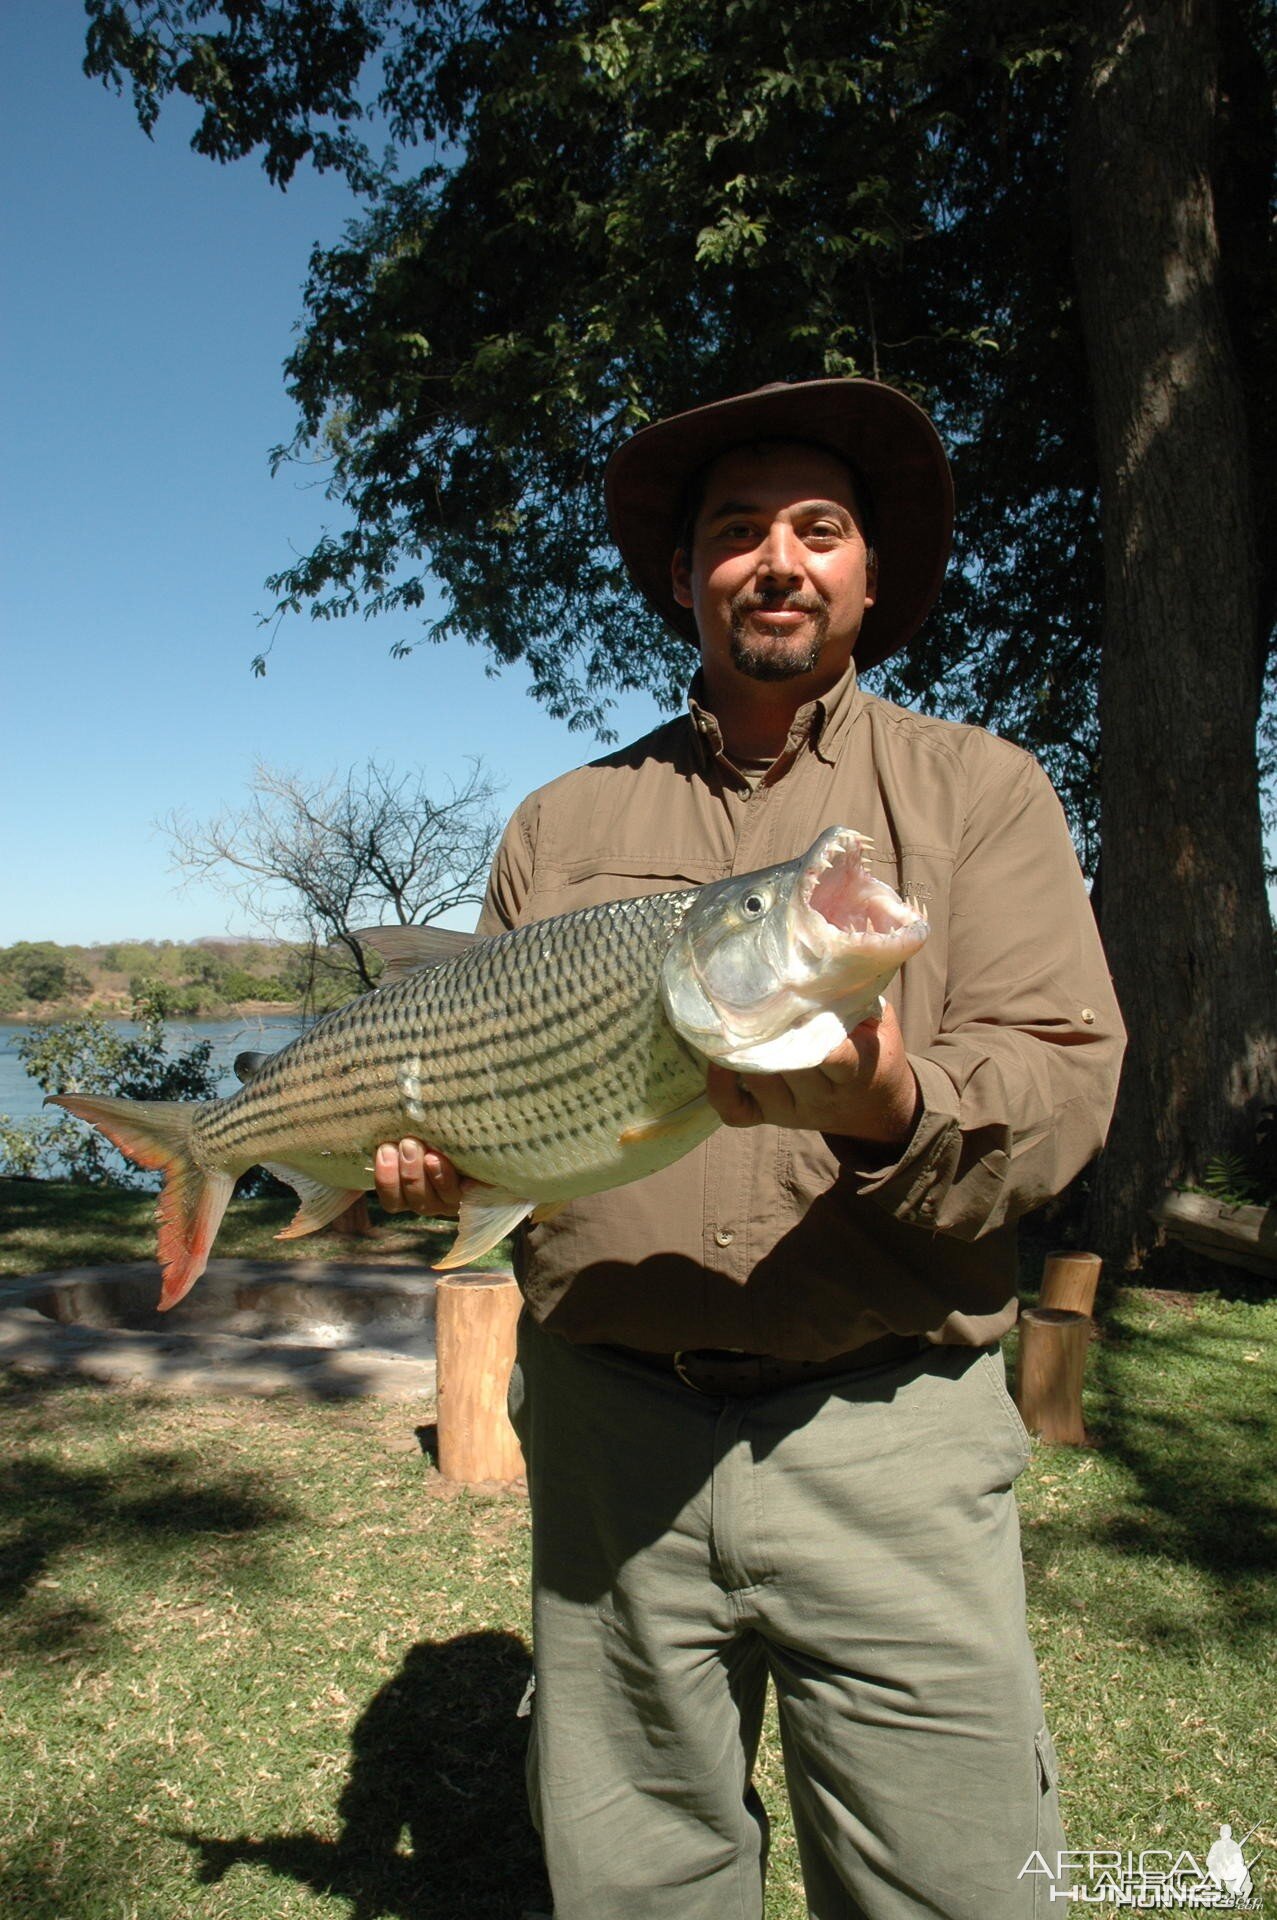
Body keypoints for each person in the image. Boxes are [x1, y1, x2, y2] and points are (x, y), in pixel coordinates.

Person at [374, 379, 1126, 1919]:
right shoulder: (556, 822)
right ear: (683, 579)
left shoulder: (978, 794)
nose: (774, 559)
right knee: (634, 1875)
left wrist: (890, 1109)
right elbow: (477, 1094)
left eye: (815, 528)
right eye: (734, 532)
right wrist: (440, 1165)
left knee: (954, 1883)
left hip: (889, 1431)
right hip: (607, 1437)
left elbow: (1061, 1084)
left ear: (865, 576)